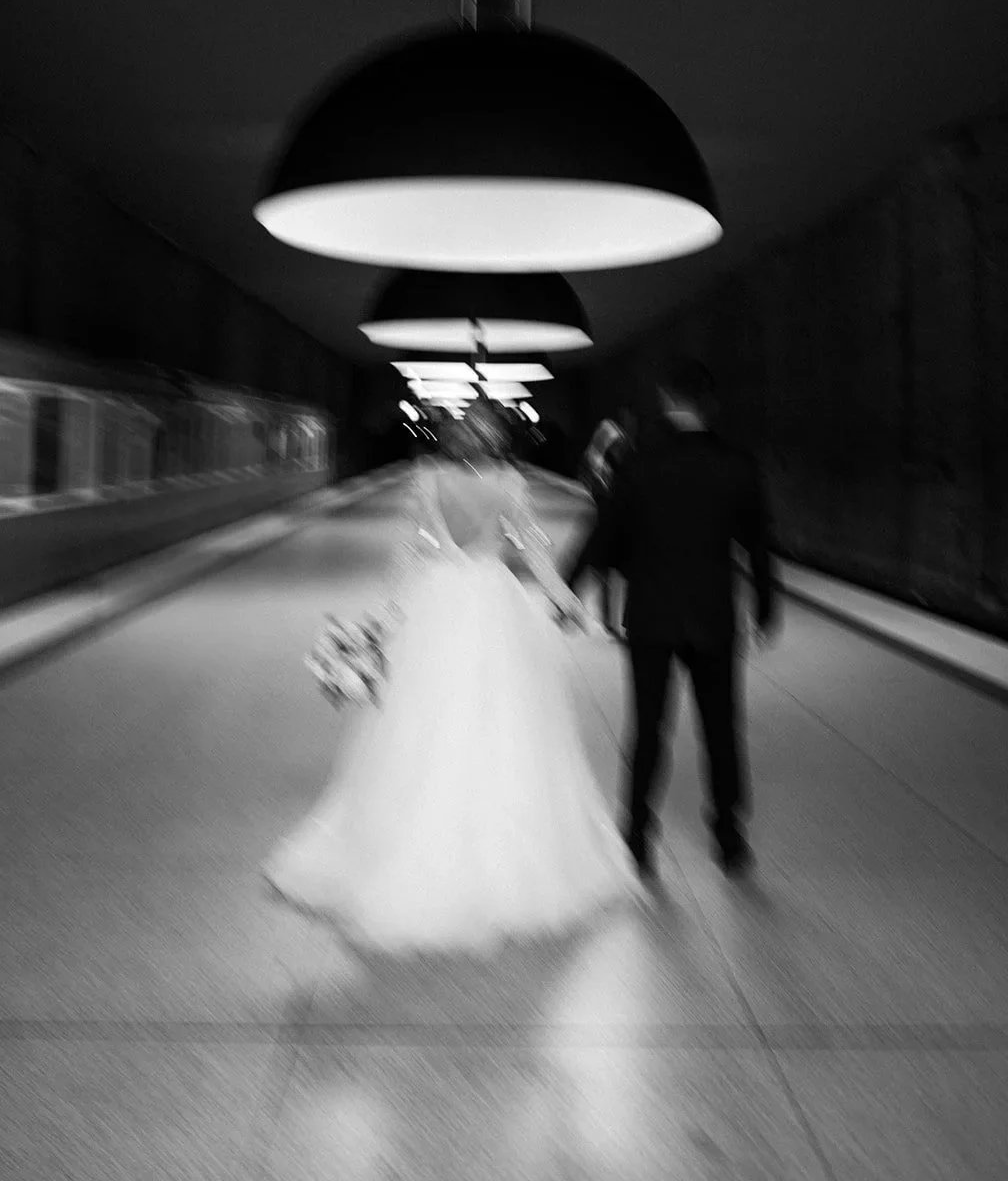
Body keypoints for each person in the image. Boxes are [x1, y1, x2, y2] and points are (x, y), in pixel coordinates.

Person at [263, 399, 641, 954]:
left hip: (437, 602)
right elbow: (534, 552)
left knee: (423, 720)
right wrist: (567, 602)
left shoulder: (428, 480)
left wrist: (388, 616)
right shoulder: (510, 484)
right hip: (494, 603)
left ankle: (404, 842)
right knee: (507, 720)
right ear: (495, 441)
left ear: (450, 440)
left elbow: (411, 552)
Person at [563, 359, 779, 879]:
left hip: (653, 616)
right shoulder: (738, 464)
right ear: (711, 403)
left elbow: (604, 534)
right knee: (722, 728)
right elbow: (760, 545)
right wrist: (766, 608)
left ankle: (637, 837)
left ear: (664, 400)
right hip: (713, 615)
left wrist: (568, 589)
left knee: (648, 728)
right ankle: (729, 838)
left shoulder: (637, 464)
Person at [578, 406, 637, 632]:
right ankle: (615, 619)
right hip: (617, 522)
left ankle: (610, 618)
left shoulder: (594, 458)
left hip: (607, 520)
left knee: (601, 570)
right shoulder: (618, 451)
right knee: (616, 572)